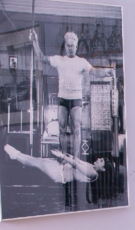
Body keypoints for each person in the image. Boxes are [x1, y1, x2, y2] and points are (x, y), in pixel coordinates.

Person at [31, 29, 114, 161]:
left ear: (76, 46)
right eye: (68, 45)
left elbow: (95, 72)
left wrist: (107, 72)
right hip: (63, 98)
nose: (70, 48)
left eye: (73, 46)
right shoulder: (59, 60)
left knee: (76, 128)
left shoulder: (81, 62)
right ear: (65, 46)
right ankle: (64, 158)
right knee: (62, 128)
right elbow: (41, 57)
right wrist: (35, 41)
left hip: (76, 99)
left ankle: (75, 159)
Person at [4, 144, 104, 184]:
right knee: (38, 160)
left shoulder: (94, 173)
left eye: (101, 161)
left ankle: (16, 155)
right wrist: (65, 154)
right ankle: (17, 155)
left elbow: (76, 165)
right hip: (60, 168)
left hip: (59, 175)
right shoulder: (91, 166)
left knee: (38, 162)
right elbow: (77, 160)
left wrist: (62, 156)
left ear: (103, 169)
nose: (99, 159)